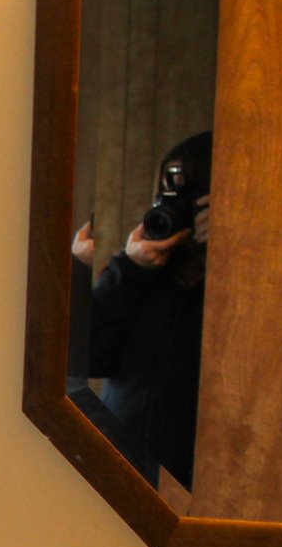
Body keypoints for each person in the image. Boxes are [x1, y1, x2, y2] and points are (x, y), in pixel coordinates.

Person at [72, 130, 212, 490]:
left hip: (198, 475)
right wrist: (130, 269)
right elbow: (87, 359)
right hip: (124, 470)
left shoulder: (249, 284)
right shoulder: (141, 272)